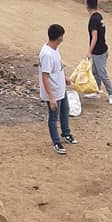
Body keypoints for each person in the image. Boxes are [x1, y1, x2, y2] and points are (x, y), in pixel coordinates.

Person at [39, 24, 77, 155]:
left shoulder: (54, 50)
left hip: (60, 88)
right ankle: (56, 142)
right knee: (53, 117)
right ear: (59, 37)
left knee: (65, 111)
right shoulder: (47, 54)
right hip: (53, 92)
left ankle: (66, 133)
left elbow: (57, 68)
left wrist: (64, 78)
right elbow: (45, 76)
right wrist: (51, 97)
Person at [87, 0, 112, 105]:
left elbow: (94, 36)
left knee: (102, 74)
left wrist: (89, 51)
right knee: (95, 72)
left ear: (87, 7)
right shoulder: (99, 16)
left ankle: (111, 94)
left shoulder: (93, 20)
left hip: (99, 52)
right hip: (102, 48)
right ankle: (97, 91)